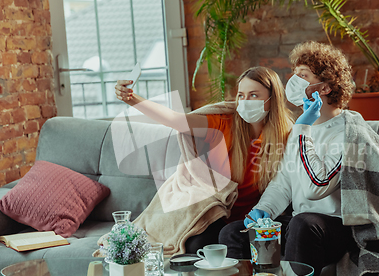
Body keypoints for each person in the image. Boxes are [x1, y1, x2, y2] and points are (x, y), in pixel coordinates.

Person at [219, 41, 379, 276]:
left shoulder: (349, 134)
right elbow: (284, 182)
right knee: (233, 232)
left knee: (302, 224)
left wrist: (302, 129)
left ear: (325, 87)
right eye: (295, 74)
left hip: (337, 228)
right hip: (304, 226)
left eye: (303, 76)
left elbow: (316, 186)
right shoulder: (302, 130)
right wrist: (262, 211)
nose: (293, 82)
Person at [115, 66, 294, 253]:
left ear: (273, 99)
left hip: (251, 220)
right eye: (241, 95)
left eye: (254, 95)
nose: (245, 101)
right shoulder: (223, 123)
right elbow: (176, 120)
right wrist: (132, 99)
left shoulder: (286, 135)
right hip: (212, 215)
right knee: (195, 244)